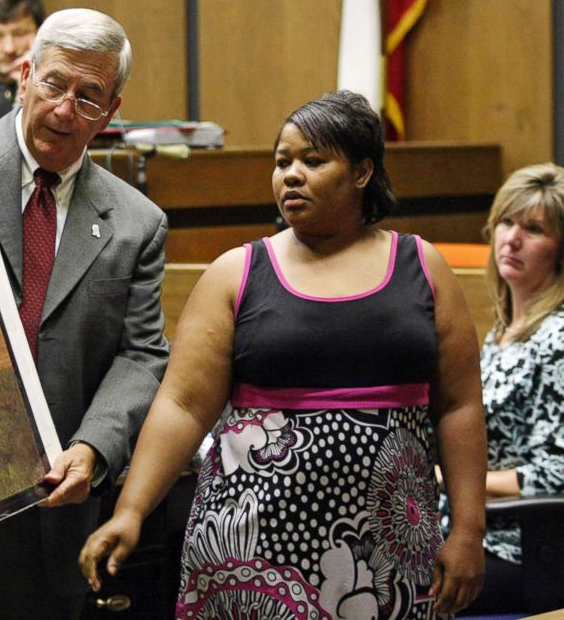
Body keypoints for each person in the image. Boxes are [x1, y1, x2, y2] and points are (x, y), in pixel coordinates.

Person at [80, 90, 489, 618]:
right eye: (281, 162)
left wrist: (468, 530)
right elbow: (181, 406)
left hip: (391, 554)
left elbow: (460, 406)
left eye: (312, 161)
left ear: (362, 172)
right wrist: (131, 511)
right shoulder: (237, 272)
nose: (290, 175)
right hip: (251, 551)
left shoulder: (422, 265)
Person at [0, 8, 169, 619]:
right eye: (53, 84)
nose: (65, 110)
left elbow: (143, 353)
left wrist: (96, 448)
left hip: (52, 498)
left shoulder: (138, 224)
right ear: (25, 75)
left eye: (90, 96)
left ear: (113, 110)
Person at [454, 163, 564, 614]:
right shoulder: (503, 331)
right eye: (506, 222)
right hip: (475, 532)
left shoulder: (557, 339)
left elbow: (557, 473)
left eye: (533, 229)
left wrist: (454, 479)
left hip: (527, 551)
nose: (511, 240)